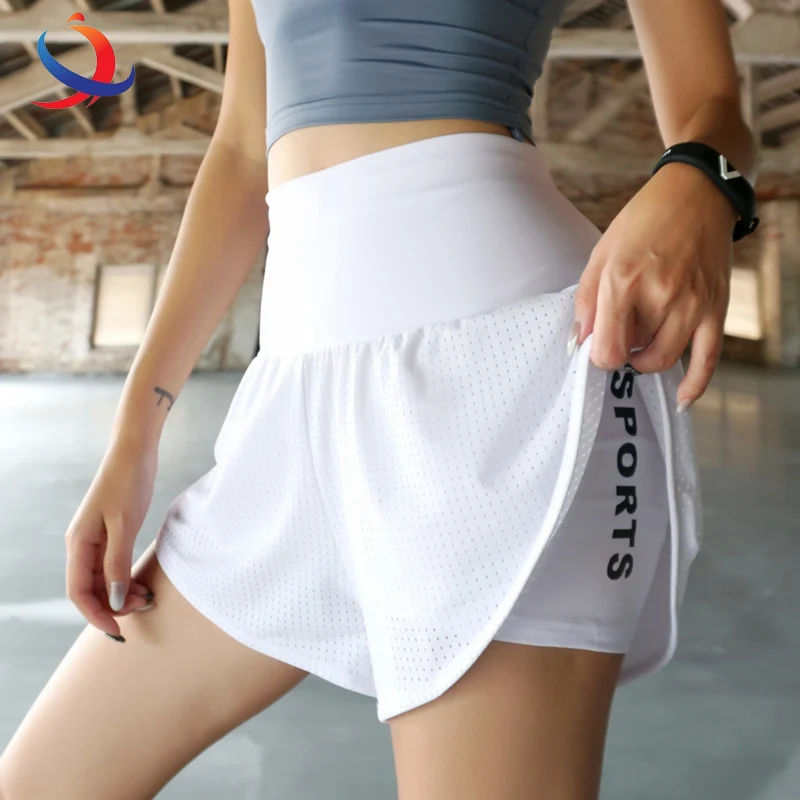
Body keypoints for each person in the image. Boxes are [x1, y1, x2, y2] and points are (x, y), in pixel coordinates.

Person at [0, 0, 758, 798]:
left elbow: (713, 106)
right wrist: (133, 438)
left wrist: (699, 180)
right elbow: (241, 151)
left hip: (501, 384)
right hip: (289, 412)